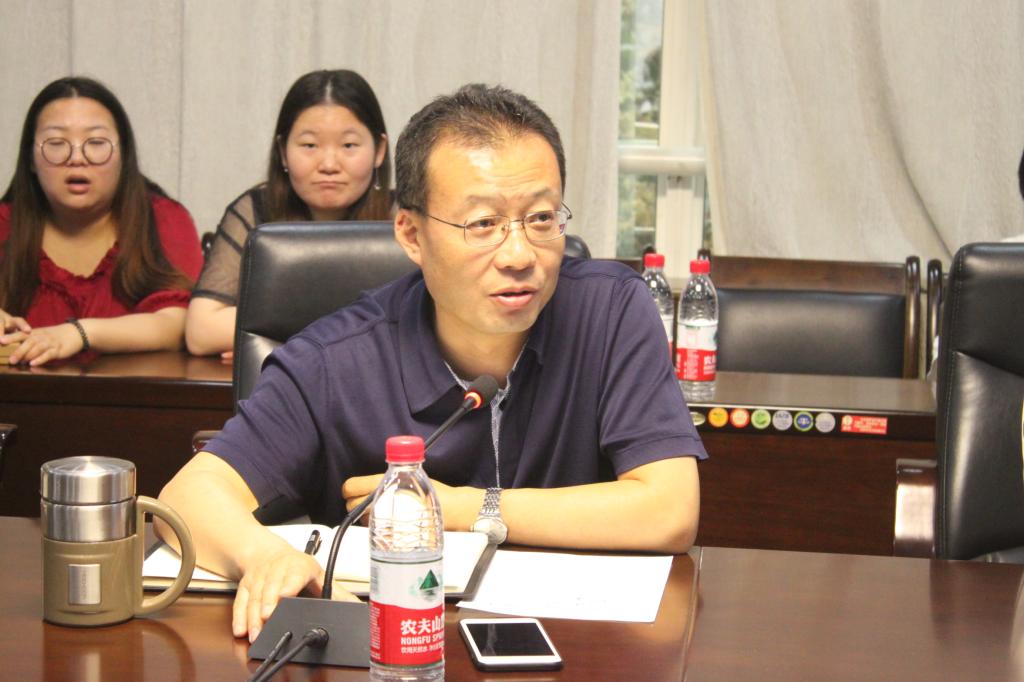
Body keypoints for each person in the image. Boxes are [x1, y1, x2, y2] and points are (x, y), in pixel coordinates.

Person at [159, 84, 706, 642]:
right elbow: (188, 497)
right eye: (483, 224)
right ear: (411, 234)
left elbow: (670, 510)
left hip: (578, 644)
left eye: (541, 218)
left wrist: (463, 508)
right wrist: (264, 556)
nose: (520, 255)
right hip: (391, 649)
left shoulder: (611, 311)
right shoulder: (335, 359)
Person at [185, 69, 391, 359]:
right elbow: (201, 332)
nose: (329, 164)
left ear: (379, 150)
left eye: (348, 145)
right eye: (309, 145)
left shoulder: (405, 218)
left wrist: (277, 336)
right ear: (283, 151)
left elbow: (426, 327)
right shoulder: (256, 210)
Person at [0, 77, 201, 367]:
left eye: (96, 143)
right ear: (30, 158)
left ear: (123, 155)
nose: (77, 158)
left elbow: (177, 323)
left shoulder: (164, 219)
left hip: (134, 394)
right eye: (56, 143)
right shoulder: (6, 223)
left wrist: (79, 333)